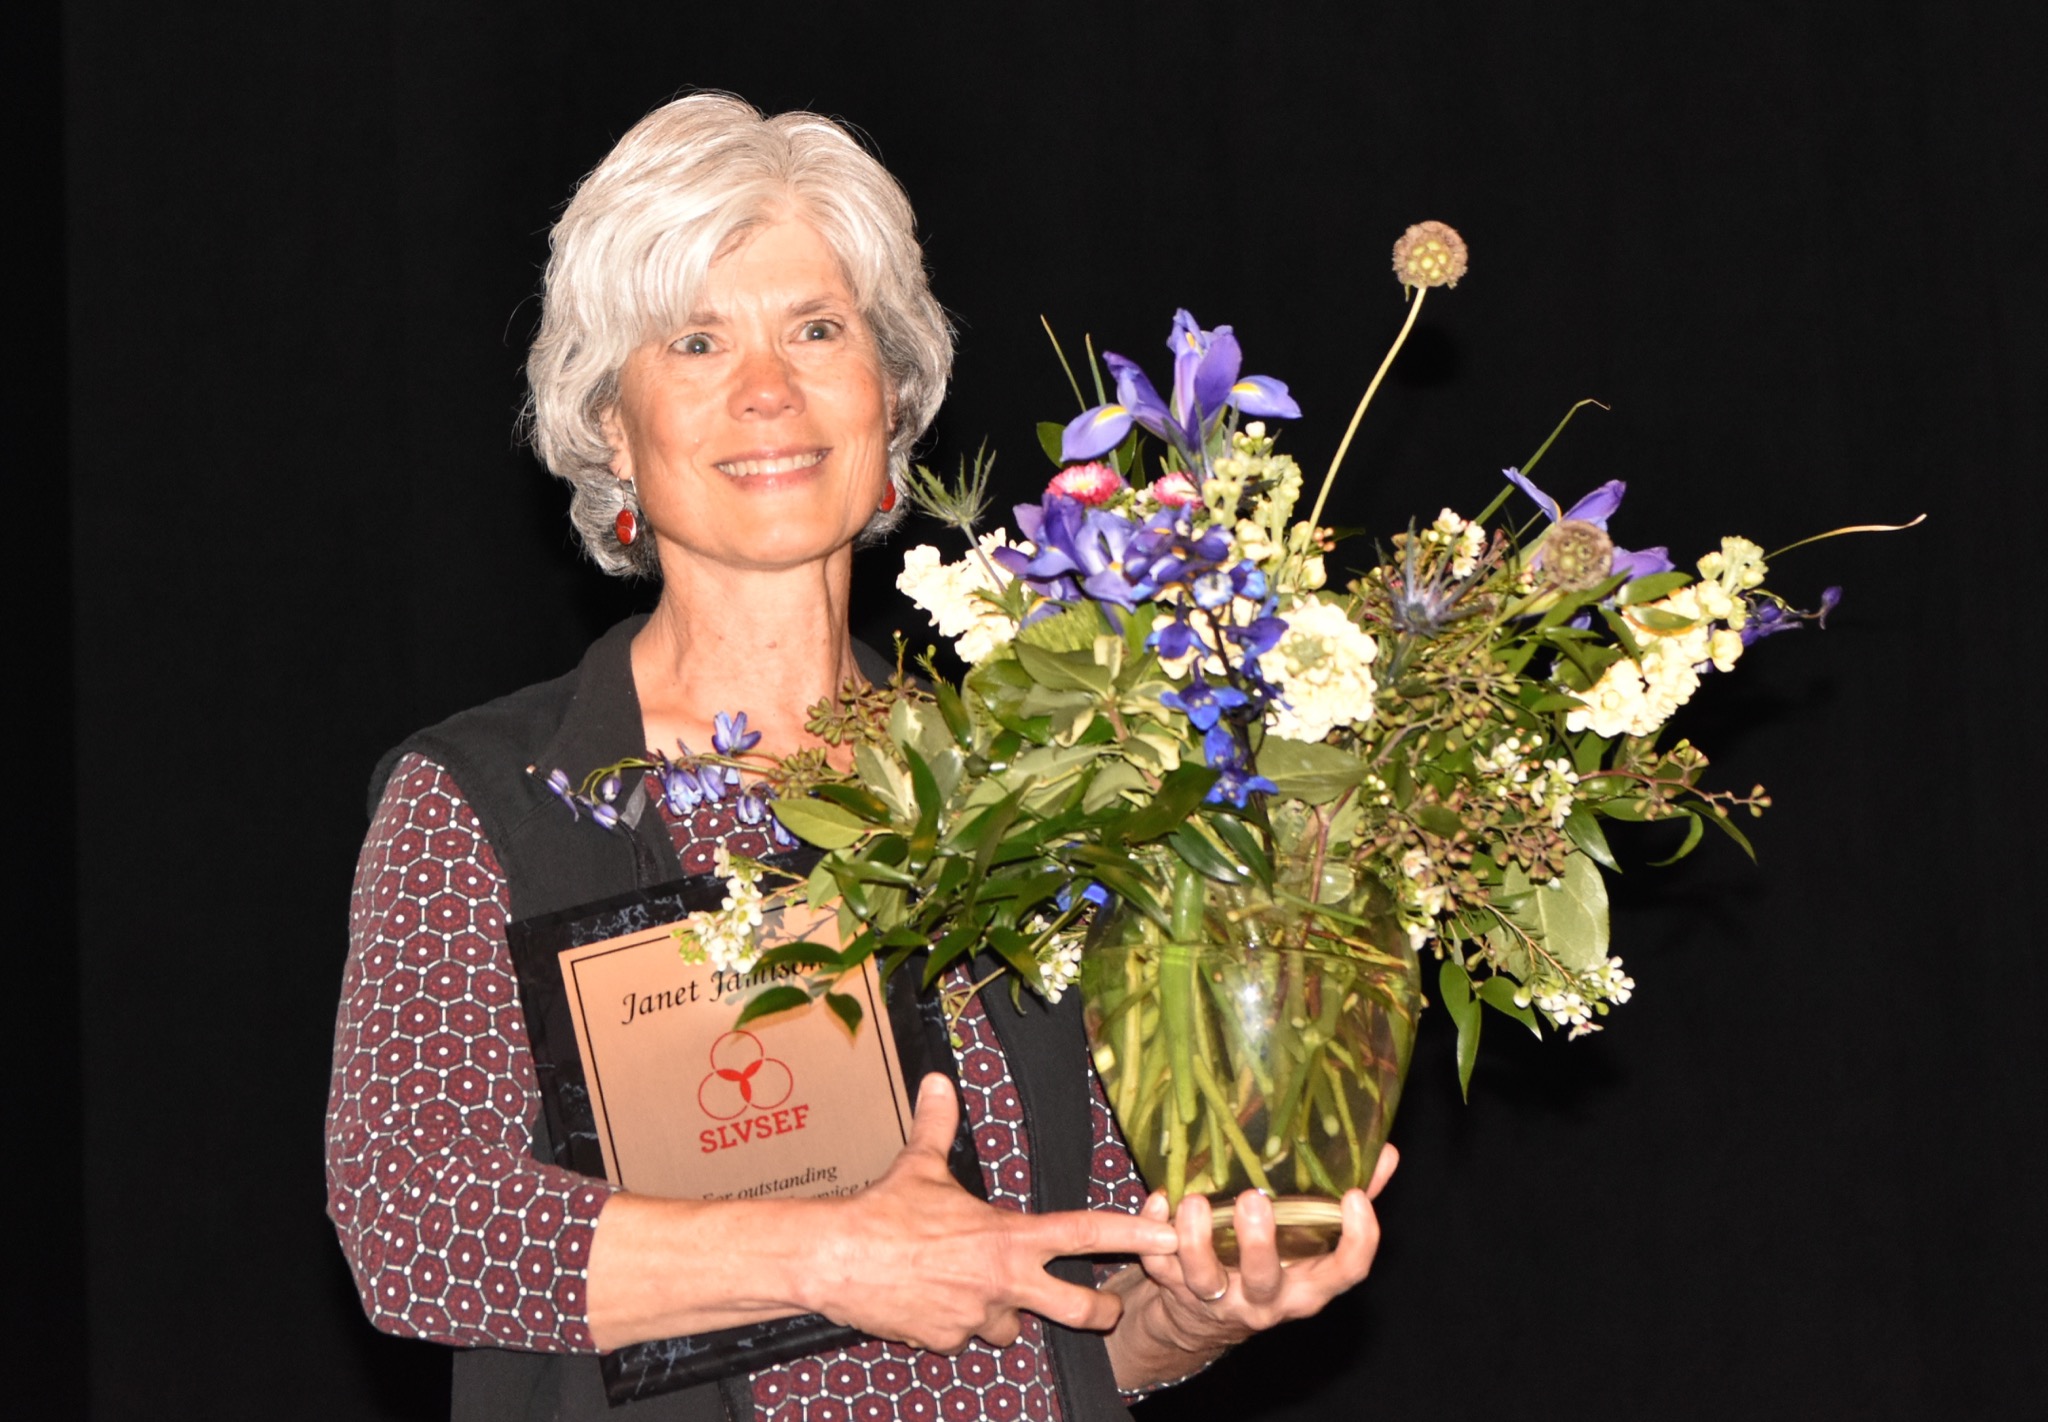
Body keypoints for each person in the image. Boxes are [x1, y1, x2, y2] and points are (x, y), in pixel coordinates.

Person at [326, 92, 1398, 1422]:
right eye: (697, 340)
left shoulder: (1036, 776)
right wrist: (837, 1258)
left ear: (890, 397)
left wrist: (1194, 1309)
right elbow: (415, 1226)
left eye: (818, 330)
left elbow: (1070, 1316)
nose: (767, 389)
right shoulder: (488, 802)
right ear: (612, 426)